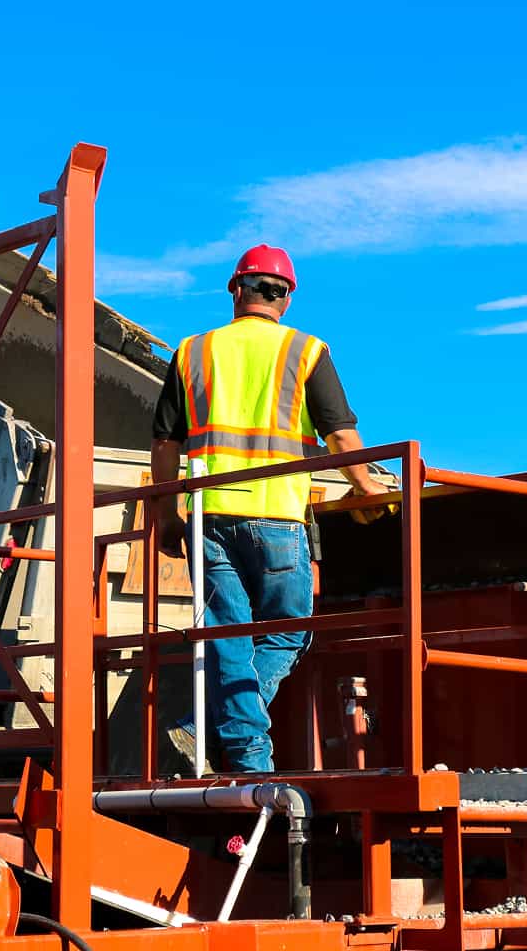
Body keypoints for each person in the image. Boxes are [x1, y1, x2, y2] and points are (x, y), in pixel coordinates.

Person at [151, 243, 388, 774]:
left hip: (209, 516)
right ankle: (241, 751)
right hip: (278, 517)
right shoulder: (306, 351)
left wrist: (167, 515)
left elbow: (164, 444)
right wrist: (366, 484)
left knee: (227, 635)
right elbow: (340, 434)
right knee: (288, 629)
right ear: (287, 298)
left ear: (236, 289)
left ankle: (221, 739)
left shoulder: (192, 351)